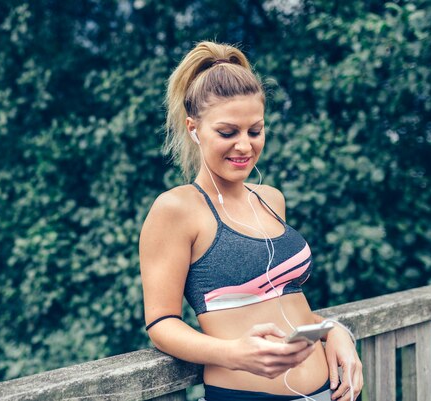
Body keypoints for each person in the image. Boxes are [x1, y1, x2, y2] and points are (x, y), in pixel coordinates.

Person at [139, 41, 363, 401]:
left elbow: (282, 300)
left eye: (255, 131)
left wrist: (331, 330)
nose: (244, 146)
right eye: (228, 132)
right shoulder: (176, 209)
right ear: (194, 128)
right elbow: (161, 323)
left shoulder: (271, 199)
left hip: (328, 392)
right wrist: (234, 354)